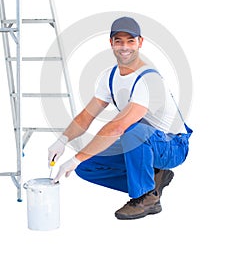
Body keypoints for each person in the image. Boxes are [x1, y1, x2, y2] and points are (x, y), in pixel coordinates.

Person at [48, 16, 192, 220]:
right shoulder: (110, 76)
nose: (125, 47)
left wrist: (75, 157)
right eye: (119, 41)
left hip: (172, 146)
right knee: (88, 167)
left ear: (140, 42)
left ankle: (145, 197)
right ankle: (154, 180)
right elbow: (85, 117)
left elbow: (118, 127)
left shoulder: (149, 79)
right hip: (144, 142)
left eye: (130, 41)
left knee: (131, 131)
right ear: (111, 44)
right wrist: (62, 140)